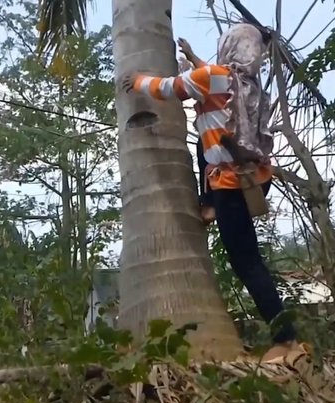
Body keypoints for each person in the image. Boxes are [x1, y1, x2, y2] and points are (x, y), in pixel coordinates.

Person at [121, 23, 302, 362]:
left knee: (248, 264)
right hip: (258, 176)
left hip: (231, 184)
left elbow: (168, 88)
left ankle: (286, 339)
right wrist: (192, 58)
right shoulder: (247, 85)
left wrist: (138, 82)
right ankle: (210, 205)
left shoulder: (213, 79)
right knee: (208, 131)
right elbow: (213, 79)